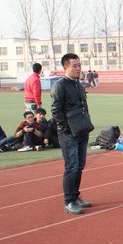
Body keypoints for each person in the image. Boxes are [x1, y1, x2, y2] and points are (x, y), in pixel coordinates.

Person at [51, 53, 94, 215]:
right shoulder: (60, 85)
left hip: (82, 130)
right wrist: (65, 129)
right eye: (74, 66)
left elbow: (84, 106)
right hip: (69, 133)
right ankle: (69, 201)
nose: (78, 68)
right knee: (72, 166)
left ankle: (75, 197)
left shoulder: (79, 84)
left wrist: (87, 122)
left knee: (80, 166)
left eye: (79, 65)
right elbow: (56, 110)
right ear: (65, 68)